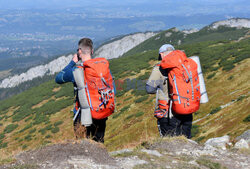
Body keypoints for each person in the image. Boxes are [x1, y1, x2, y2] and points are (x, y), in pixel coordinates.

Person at [55, 38, 115, 143]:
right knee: (99, 144)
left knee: (82, 146)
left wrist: (72, 62)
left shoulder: (77, 70)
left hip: (82, 115)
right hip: (100, 112)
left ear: (79, 51)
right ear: (92, 51)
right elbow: (112, 88)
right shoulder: (103, 70)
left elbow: (59, 78)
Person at [146, 44, 193, 139]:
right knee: (186, 140)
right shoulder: (185, 65)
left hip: (169, 112)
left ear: (162, 54)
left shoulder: (159, 68)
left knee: (169, 142)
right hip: (187, 109)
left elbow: (149, 89)